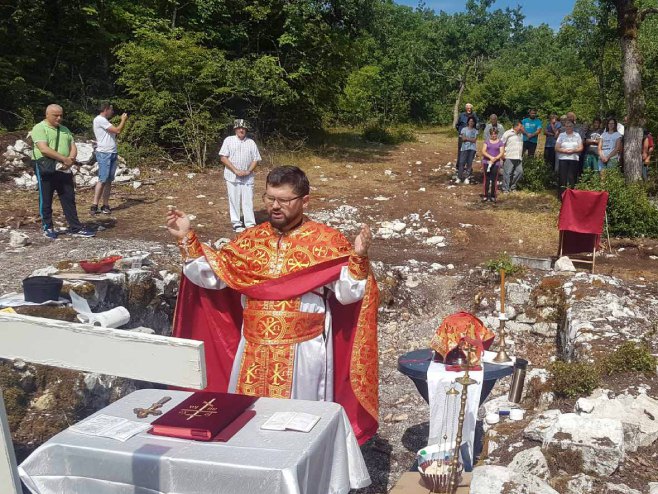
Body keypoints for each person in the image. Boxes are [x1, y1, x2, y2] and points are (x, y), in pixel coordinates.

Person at [166, 165, 379, 444]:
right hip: (252, 349)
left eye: (283, 200)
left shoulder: (327, 241)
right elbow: (213, 277)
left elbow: (348, 293)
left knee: (299, 429)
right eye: (269, 199)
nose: (274, 206)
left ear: (304, 201)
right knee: (244, 423)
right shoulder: (250, 240)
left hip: (303, 351)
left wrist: (359, 259)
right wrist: (186, 238)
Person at [30, 104, 95, 239]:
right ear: (47, 115)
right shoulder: (39, 128)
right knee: (46, 198)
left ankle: (75, 227)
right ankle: (47, 227)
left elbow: (73, 146)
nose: (59, 118)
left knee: (68, 197)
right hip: (46, 167)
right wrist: (64, 159)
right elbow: (44, 149)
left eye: (61, 115)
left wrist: (70, 159)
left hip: (64, 168)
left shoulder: (65, 129)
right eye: (56, 115)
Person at [219, 119, 262, 233]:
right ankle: (236, 223)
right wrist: (235, 170)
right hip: (232, 175)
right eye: (239, 128)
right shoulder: (228, 140)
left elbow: (256, 159)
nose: (241, 130)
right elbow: (223, 157)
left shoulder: (251, 142)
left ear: (246, 130)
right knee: (234, 199)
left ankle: (250, 224)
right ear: (235, 129)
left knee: (248, 200)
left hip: (248, 176)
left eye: (243, 128)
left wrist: (248, 171)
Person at [91, 102, 128, 215]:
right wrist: (123, 120)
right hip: (104, 153)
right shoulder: (100, 120)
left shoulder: (105, 121)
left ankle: (105, 205)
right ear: (106, 109)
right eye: (111, 110)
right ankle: (94, 205)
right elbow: (117, 130)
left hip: (112, 152)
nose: (112, 112)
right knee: (102, 179)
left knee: (109, 180)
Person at [556, 121, 584, 200]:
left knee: (572, 178)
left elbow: (581, 148)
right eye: (567, 126)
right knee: (562, 178)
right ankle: (561, 197)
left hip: (574, 159)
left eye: (570, 126)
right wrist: (564, 151)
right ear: (565, 127)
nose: (568, 128)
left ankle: (572, 197)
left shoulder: (577, 135)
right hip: (563, 158)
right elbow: (556, 147)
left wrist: (573, 151)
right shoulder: (561, 135)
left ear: (573, 127)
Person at [481, 127, 505, 203]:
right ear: (490, 134)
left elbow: (501, 152)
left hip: (496, 163)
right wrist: (490, 157)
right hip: (486, 162)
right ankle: (485, 195)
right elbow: (483, 151)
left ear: (497, 134)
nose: (494, 135)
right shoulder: (487, 142)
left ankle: (493, 195)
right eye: (492, 134)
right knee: (486, 179)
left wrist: (495, 158)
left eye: (495, 134)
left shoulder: (500, 142)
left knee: (494, 179)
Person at [501, 121, 524, 193]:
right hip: (509, 156)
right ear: (516, 126)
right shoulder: (507, 133)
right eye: (520, 126)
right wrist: (502, 154)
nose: (522, 128)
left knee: (519, 172)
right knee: (507, 173)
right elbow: (502, 143)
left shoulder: (521, 135)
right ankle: (505, 189)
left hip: (518, 156)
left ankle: (512, 186)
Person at [455, 103, 478, 174]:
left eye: (470, 108)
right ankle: (459, 167)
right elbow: (457, 125)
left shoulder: (474, 115)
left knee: (470, 152)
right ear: (466, 108)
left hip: (471, 137)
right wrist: (460, 133)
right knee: (461, 151)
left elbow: (477, 125)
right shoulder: (461, 115)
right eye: (468, 108)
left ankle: (469, 168)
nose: (469, 109)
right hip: (462, 136)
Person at [458, 116, 478, 184]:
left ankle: (467, 177)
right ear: (468, 122)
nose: (471, 122)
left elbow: (474, 140)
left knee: (469, 163)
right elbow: (463, 139)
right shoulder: (463, 129)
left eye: (472, 121)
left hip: (472, 149)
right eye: (470, 121)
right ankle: (459, 177)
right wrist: (470, 139)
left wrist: (467, 138)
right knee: (461, 162)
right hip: (464, 148)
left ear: (474, 123)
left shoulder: (475, 131)